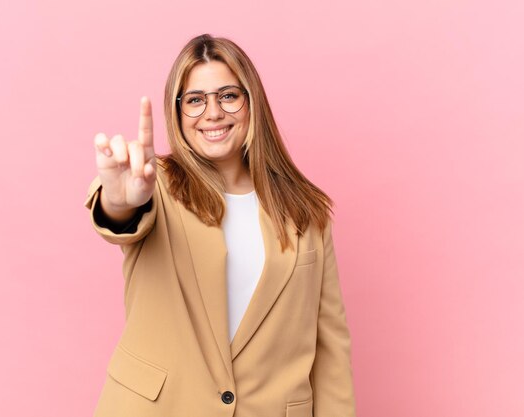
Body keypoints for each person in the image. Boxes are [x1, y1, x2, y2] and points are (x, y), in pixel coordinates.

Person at [85, 34, 356, 417]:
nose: (213, 113)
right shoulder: (152, 185)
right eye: (195, 100)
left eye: (228, 95)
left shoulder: (305, 211)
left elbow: (330, 348)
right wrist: (119, 200)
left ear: (252, 102)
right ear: (177, 113)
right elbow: (120, 215)